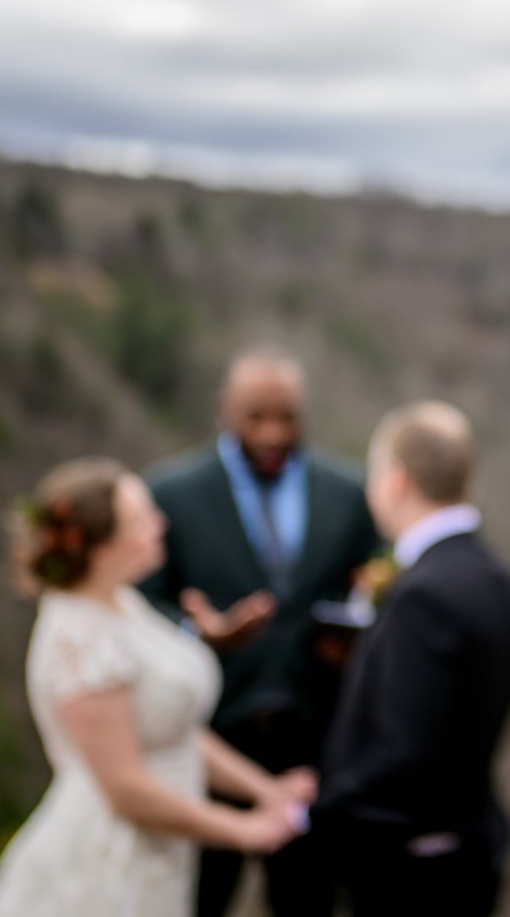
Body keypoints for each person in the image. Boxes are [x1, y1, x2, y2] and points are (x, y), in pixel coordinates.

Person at [0, 458, 309, 917]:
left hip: (161, 851)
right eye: (142, 518)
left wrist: (266, 789)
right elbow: (124, 787)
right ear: (100, 548)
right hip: (109, 854)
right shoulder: (77, 637)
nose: (160, 523)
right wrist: (242, 829)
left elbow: (173, 729)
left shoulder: (123, 601)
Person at [140, 349, 379, 917]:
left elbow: (368, 590)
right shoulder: (170, 494)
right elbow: (143, 604)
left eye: (287, 417)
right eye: (255, 417)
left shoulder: (350, 493)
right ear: (224, 411)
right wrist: (198, 633)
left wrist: (353, 639)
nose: (273, 433)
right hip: (206, 744)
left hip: (313, 750)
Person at [314, 401, 510, 917]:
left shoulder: (423, 595)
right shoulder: (502, 583)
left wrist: (321, 807)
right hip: (469, 850)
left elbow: (404, 751)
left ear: (395, 479)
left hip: (410, 876)